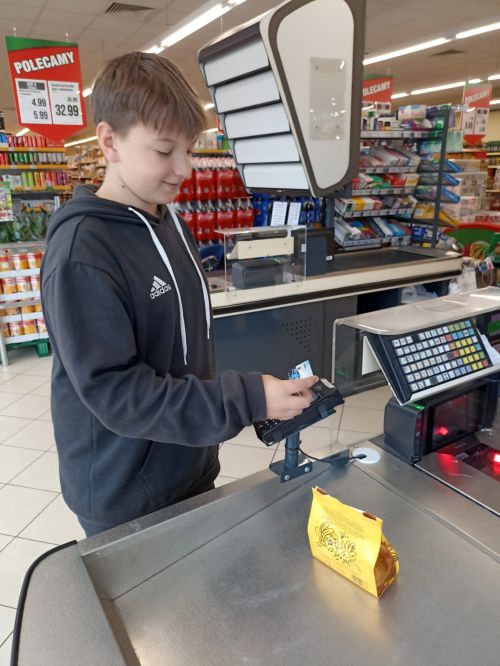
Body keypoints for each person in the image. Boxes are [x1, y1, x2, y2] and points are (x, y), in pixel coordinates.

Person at [41, 52, 318, 537]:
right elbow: (116, 392)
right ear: (109, 141)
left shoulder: (169, 221)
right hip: (125, 494)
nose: (184, 168)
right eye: (165, 151)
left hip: (189, 464)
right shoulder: (82, 253)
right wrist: (246, 398)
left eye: (189, 150)